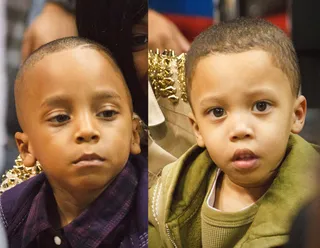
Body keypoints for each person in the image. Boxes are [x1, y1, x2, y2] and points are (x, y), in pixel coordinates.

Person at [148, 18, 320, 247]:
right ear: (197, 129)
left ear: (297, 115)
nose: (240, 130)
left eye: (261, 106)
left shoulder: (313, 211)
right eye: (217, 111)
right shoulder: (166, 199)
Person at [0, 37, 147, 248]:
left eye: (106, 113)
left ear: (134, 134)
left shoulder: (156, 223)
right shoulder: (8, 220)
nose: (87, 130)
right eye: (60, 118)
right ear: (26, 148)